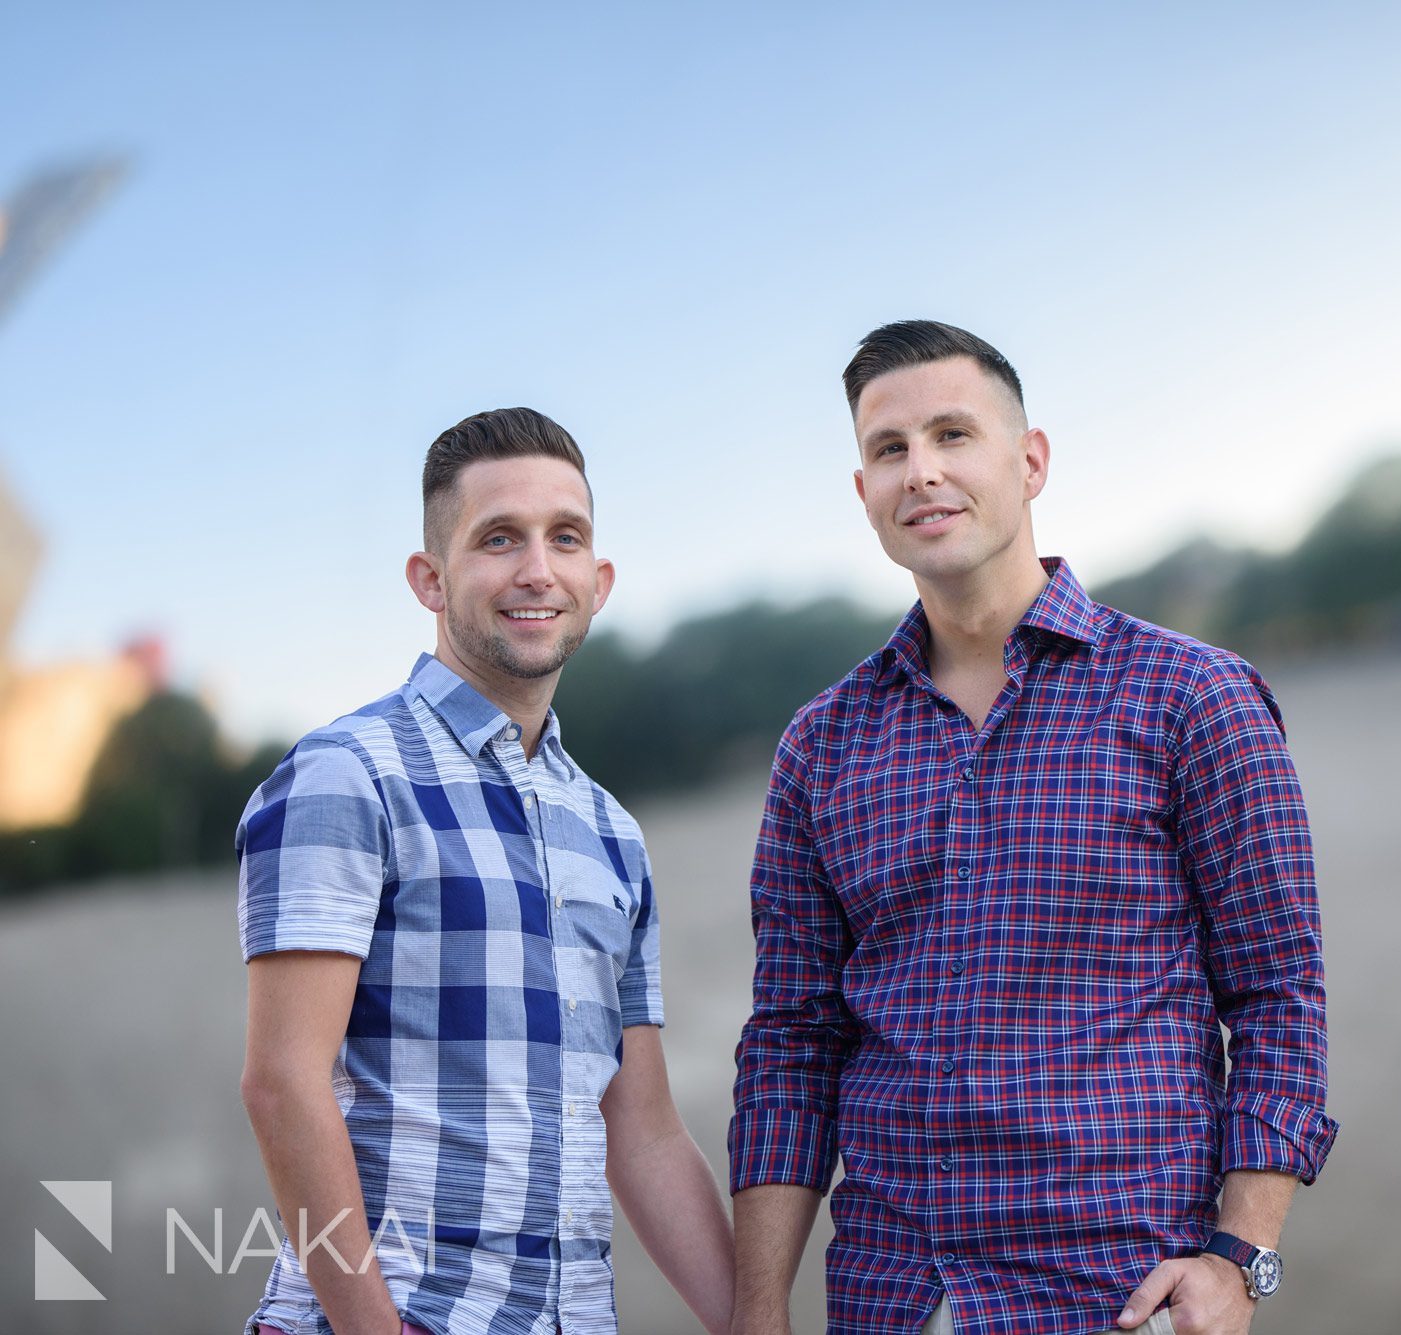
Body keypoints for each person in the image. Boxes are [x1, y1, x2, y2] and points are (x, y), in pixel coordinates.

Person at [729, 323, 1336, 1335]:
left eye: (951, 434)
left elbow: (1277, 992)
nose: (921, 471)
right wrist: (757, 1312)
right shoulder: (819, 748)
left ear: (1029, 460)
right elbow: (792, 1042)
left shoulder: (1190, 697)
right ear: (863, 493)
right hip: (891, 1300)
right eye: (888, 449)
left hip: (1116, 1293)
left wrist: (1238, 1256)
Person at [236, 408, 733, 1335]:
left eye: (565, 538)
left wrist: (755, 1322)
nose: (537, 569)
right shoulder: (350, 774)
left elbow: (648, 1129)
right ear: (430, 578)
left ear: (600, 579)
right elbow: (282, 1083)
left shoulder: (611, 833)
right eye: (498, 538)